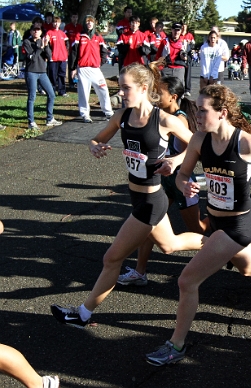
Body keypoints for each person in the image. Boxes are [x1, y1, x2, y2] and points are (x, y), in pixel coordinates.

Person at [145, 84, 251, 366]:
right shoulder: (199, 140)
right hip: (215, 221)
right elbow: (183, 175)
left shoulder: (247, 143)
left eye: (203, 111)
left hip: (239, 225)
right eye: (197, 110)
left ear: (222, 113)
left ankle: (176, 346)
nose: (198, 116)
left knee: (187, 280)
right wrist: (186, 184)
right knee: (250, 269)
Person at [51, 62, 206, 328]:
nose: (121, 92)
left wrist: (176, 160)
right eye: (120, 87)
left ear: (144, 88)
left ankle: (83, 315)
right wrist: (95, 147)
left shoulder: (165, 120)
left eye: (126, 87)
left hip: (151, 201)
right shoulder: (122, 117)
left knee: (111, 258)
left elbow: (197, 143)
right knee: (170, 245)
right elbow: (96, 139)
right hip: (136, 196)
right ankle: (222, 245)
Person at [118, 75, 206, 286]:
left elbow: (193, 147)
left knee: (197, 229)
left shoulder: (179, 119)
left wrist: (175, 161)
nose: (156, 97)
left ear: (173, 97)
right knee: (150, 225)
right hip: (160, 181)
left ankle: (224, 244)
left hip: (179, 180)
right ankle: (140, 271)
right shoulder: (156, 115)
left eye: (161, 94)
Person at [70, 15, 114, 124]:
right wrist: (73, 68)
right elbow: (74, 53)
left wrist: (100, 62)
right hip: (83, 69)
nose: (89, 23)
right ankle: (85, 114)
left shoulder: (98, 37)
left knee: (103, 90)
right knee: (84, 93)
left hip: (95, 69)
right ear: (85, 23)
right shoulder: (79, 36)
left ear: (94, 23)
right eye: (87, 22)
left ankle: (108, 112)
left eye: (91, 22)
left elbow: (104, 51)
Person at [22, 25, 61, 130]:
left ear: (41, 32)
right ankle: (31, 121)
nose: (36, 32)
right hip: (31, 72)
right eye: (34, 30)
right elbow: (32, 58)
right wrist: (41, 47)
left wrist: (46, 45)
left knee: (52, 94)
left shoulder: (42, 42)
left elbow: (49, 56)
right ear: (31, 32)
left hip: (42, 72)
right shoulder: (27, 42)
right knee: (32, 97)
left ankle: (49, 118)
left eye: (38, 30)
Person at [45, 16, 69, 97]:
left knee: (62, 75)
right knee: (52, 75)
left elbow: (67, 45)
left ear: (60, 23)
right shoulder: (49, 33)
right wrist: (49, 56)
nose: (56, 24)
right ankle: (52, 90)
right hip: (53, 58)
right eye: (54, 22)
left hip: (62, 58)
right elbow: (46, 46)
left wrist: (66, 54)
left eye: (58, 22)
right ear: (52, 23)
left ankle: (62, 91)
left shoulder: (63, 34)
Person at [63, 13, 81, 87]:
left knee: (78, 64)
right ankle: (71, 82)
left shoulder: (80, 27)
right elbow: (64, 37)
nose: (75, 19)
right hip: (71, 49)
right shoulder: (67, 27)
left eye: (76, 17)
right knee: (71, 65)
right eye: (73, 17)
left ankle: (77, 81)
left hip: (79, 49)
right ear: (71, 18)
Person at [180, 23, 195, 96]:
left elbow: (193, 45)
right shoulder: (179, 35)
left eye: (185, 26)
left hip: (188, 55)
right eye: (182, 26)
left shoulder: (189, 35)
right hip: (180, 55)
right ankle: (181, 89)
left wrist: (189, 44)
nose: (183, 27)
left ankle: (187, 89)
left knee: (188, 73)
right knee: (181, 72)